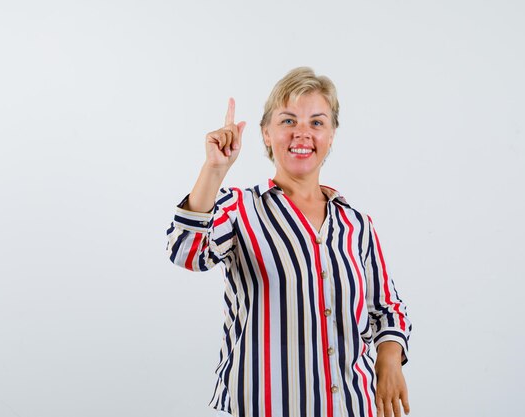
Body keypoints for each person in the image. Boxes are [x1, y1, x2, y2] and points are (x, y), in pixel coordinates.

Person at [166, 67, 412, 417]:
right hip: (264, 406)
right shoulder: (239, 208)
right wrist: (214, 169)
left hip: (353, 406)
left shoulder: (356, 224)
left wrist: (389, 359)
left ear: (332, 134)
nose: (302, 133)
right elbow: (185, 252)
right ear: (266, 134)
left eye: (317, 122)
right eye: (287, 121)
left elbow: (388, 308)